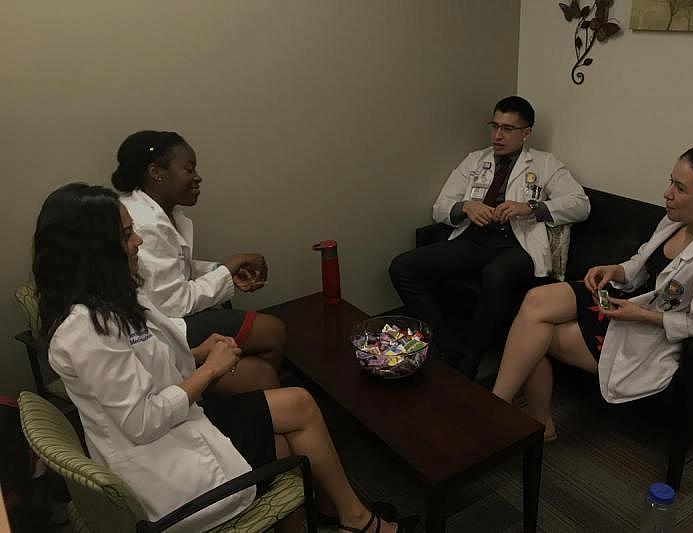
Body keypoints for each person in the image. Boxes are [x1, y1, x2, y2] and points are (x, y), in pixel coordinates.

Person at [34, 183, 417, 533]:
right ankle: (358, 520)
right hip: (163, 466)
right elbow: (141, 421)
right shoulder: (86, 329)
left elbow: (144, 354)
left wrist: (197, 351)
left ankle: (349, 517)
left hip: (176, 430)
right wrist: (211, 369)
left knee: (295, 415)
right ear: (94, 250)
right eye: (125, 235)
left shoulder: (112, 298)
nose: (137, 242)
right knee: (289, 433)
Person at [491, 143, 693, 442]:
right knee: (534, 302)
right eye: (671, 181)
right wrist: (616, 270)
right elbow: (642, 262)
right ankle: (502, 409)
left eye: (680, 188)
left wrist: (644, 315)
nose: (667, 193)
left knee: (534, 334)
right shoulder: (675, 220)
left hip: (649, 333)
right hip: (625, 303)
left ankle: (524, 419)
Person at [389, 96, 590, 378]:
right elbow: (440, 207)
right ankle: (447, 344)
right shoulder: (475, 160)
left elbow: (580, 204)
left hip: (516, 245)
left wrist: (530, 207)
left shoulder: (544, 164)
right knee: (402, 267)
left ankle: (470, 362)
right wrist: (465, 207)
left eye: (508, 129)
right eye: (494, 126)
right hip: (473, 240)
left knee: (495, 275)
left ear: (526, 133)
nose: (498, 135)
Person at [111, 130, 284, 393]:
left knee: (262, 364)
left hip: (162, 314)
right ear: (157, 172)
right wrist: (228, 268)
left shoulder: (164, 211)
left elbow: (174, 267)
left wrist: (221, 270)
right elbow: (174, 302)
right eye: (188, 169)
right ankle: (214, 392)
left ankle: (234, 386)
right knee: (272, 331)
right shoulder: (143, 223)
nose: (197, 177)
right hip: (156, 327)